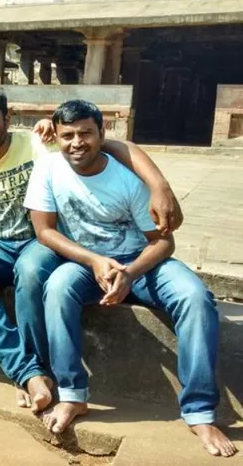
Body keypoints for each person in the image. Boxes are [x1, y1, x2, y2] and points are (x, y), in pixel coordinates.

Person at [0, 84, 182, 412]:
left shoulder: (36, 143)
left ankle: (35, 371)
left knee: (31, 272)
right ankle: (28, 373)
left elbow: (111, 145)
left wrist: (158, 184)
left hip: (40, 239)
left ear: (8, 119)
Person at [25, 100, 236, 458]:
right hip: (88, 263)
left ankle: (200, 412)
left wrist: (129, 272)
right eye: (68, 136)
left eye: (86, 134)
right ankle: (73, 395)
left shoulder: (127, 179)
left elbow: (164, 242)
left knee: (195, 298)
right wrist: (94, 260)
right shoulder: (47, 169)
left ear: (102, 135)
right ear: (56, 138)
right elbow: (44, 231)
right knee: (57, 288)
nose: (77, 143)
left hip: (142, 263)